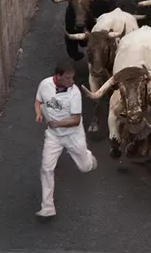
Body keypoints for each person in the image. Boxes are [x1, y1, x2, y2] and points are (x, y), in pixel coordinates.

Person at [34, 59, 98, 218]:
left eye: (72, 78)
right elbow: (38, 101)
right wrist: (38, 114)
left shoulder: (75, 93)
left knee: (84, 167)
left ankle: (89, 158)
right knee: (46, 168)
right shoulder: (45, 85)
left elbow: (76, 120)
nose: (72, 81)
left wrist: (58, 123)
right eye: (68, 78)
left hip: (73, 135)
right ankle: (48, 207)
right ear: (58, 76)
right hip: (53, 136)